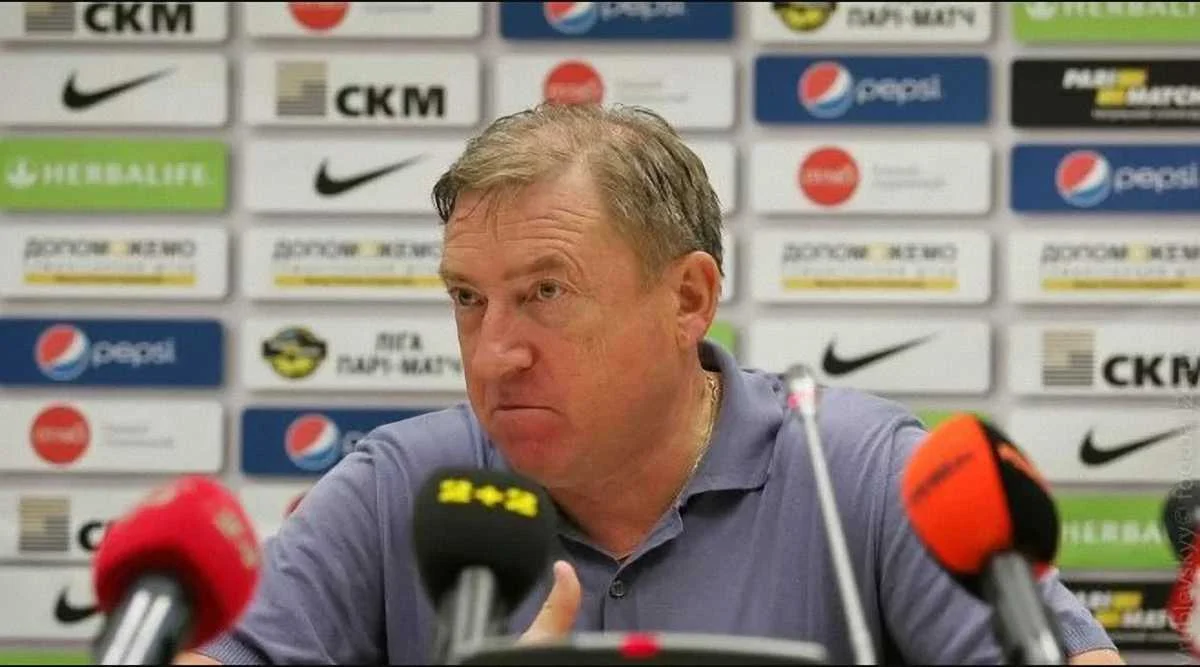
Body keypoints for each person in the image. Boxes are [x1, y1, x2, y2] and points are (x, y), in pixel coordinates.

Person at [180, 103, 1121, 665]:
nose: (495, 352)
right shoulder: (402, 487)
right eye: (469, 298)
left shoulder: (864, 477)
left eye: (545, 293)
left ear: (688, 299)